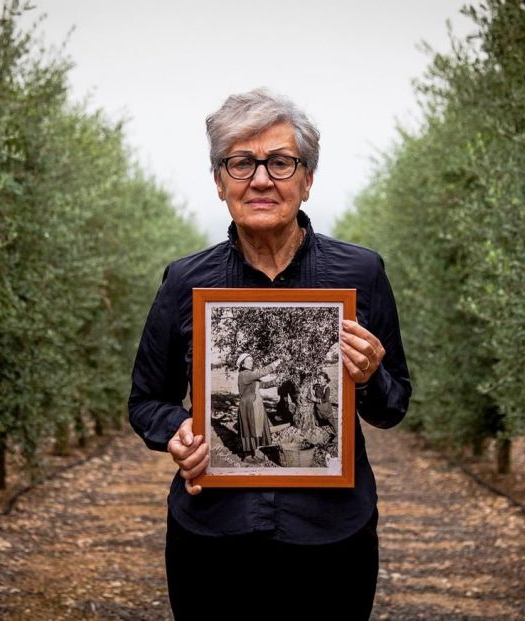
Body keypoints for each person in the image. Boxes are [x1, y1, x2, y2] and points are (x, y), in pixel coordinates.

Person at [128, 88, 411, 621]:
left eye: (280, 162)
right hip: (211, 535)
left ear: (307, 180)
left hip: (333, 537)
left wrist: (372, 375)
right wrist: (179, 431)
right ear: (219, 182)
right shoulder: (185, 281)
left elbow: (393, 407)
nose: (261, 179)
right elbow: (145, 400)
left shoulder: (361, 274)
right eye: (241, 162)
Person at [235, 352, 280, 460]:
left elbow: (262, 384)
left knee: (255, 428)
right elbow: (260, 373)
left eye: (251, 360)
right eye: (249, 361)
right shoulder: (245, 374)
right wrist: (274, 364)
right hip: (248, 406)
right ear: (242, 364)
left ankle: (253, 452)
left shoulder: (250, 375)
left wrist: (276, 381)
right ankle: (247, 456)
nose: (251, 362)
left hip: (255, 405)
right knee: (250, 429)